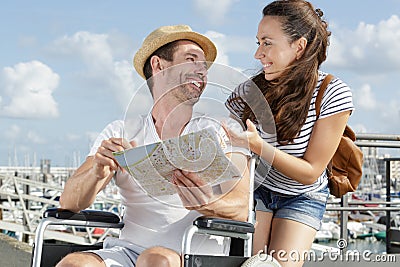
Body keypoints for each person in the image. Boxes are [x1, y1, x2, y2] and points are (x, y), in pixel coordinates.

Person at [56, 25, 250, 267]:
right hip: (127, 252)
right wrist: (97, 171)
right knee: (74, 264)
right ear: (159, 65)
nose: (202, 72)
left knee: (154, 260)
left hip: (194, 257)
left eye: (204, 67)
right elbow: (68, 202)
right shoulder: (121, 132)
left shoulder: (223, 132)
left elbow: (241, 208)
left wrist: (206, 203)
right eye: (191, 60)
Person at [225, 1, 355, 266]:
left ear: (299, 46)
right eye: (258, 42)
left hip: (303, 195)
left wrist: (260, 147)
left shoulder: (332, 93)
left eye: (267, 43)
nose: (258, 54)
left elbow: (310, 171)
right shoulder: (248, 92)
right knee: (248, 263)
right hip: (257, 191)